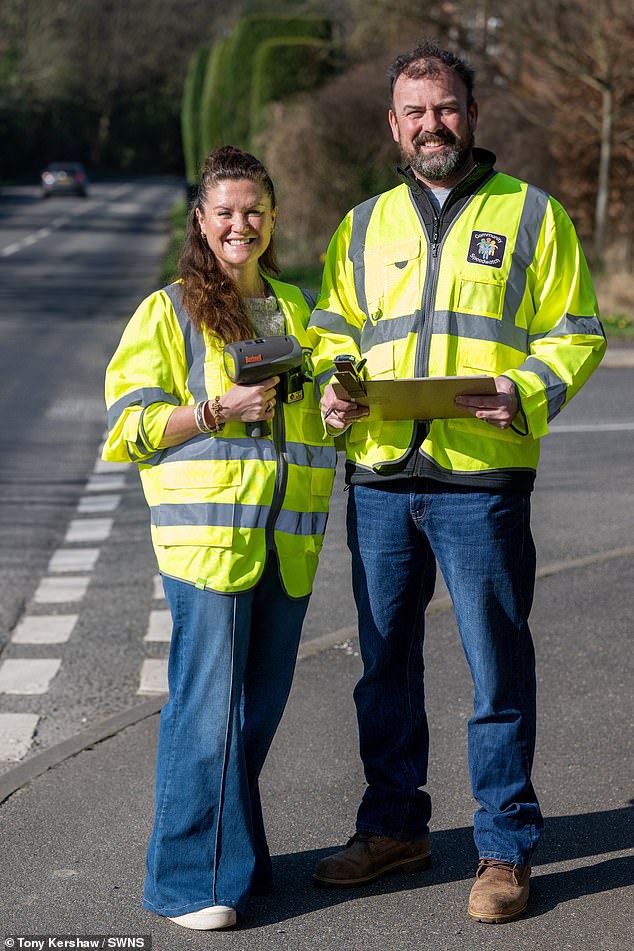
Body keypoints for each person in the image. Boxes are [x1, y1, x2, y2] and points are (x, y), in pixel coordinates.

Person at [307, 41, 606, 923]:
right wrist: (333, 384)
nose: (431, 123)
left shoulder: (534, 215)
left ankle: (505, 847)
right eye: (414, 111)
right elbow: (331, 328)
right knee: (383, 667)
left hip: (483, 479)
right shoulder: (360, 225)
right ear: (392, 126)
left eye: (445, 107)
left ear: (472, 116)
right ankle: (394, 824)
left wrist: (529, 387)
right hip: (382, 477)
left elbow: (578, 328)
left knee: (495, 668)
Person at [102, 146, 336, 931]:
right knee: (207, 712)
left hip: (288, 540)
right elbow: (129, 427)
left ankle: (237, 856)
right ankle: (182, 880)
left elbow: (312, 417)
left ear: (272, 219)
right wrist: (213, 410)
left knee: (255, 711)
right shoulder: (168, 312)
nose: (242, 223)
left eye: (255, 210)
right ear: (201, 221)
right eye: (226, 211)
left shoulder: (296, 309)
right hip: (209, 545)